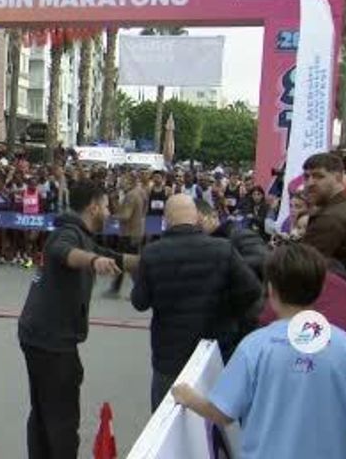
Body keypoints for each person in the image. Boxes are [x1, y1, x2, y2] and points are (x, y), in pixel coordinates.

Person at [172, 244, 346, 459]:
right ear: (320, 290)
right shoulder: (342, 345)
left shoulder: (255, 346)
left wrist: (187, 396)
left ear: (271, 290)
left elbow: (222, 413)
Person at [18, 180, 138, 459]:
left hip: (39, 333)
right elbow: (66, 253)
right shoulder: (67, 234)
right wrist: (93, 261)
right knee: (62, 418)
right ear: (93, 207)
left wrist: (157, 258)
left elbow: (116, 257)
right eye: (106, 206)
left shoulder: (80, 235)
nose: (108, 213)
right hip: (51, 339)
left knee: (43, 411)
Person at [131, 194, 263, 411]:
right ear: (195, 218)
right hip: (213, 347)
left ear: (166, 220)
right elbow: (252, 290)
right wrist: (228, 310)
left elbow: (140, 302)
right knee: (212, 415)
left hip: (169, 351)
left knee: (165, 415)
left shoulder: (152, 253)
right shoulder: (222, 249)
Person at [301, 153, 346, 266]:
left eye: (318, 176)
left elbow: (302, 268)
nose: (309, 183)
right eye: (306, 177)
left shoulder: (329, 219)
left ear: (338, 178)